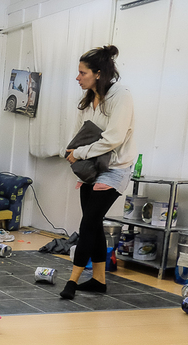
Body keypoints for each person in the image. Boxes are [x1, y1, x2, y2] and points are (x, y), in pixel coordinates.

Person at [61, 45, 136, 300]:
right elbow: (80, 135)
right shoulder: (88, 100)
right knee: (93, 223)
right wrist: (74, 152)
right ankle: (98, 280)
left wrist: (80, 153)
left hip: (115, 169)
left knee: (88, 223)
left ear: (99, 73)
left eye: (82, 73)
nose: (78, 77)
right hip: (92, 168)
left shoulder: (121, 96)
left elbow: (114, 138)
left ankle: (72, 281)